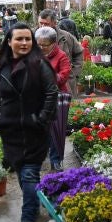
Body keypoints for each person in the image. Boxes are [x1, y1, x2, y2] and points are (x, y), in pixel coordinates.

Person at [0, 23, 58, 222]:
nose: (25, 43)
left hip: (34, 131)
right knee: (22, 172)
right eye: (19, 39)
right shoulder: (2, 67)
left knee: (29, 173)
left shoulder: (40, 65)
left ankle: (27, 219)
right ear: (9, 42)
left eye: (28, 39)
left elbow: (51, 93)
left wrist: (41, 119)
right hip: (10, 131)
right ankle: (36, 202)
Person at [37, 26, 71, 171]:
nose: (41, 47)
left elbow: (64, 75)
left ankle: (56, 160)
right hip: (39, 97)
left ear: (53, 44)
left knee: (57, 130)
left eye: (44, 45)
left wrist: (45, 78)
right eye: (38, 44)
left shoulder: (61, 56)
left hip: (58, 98)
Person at [38, 9, 83, 95]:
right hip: (41, 85)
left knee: (67, 107)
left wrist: (74, 72)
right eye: (40, 23)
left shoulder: (66, 36)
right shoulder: (33, 37)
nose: (42, 26)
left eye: (46, 24)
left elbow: (79, 52)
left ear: (54, 23)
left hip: (66, 84)